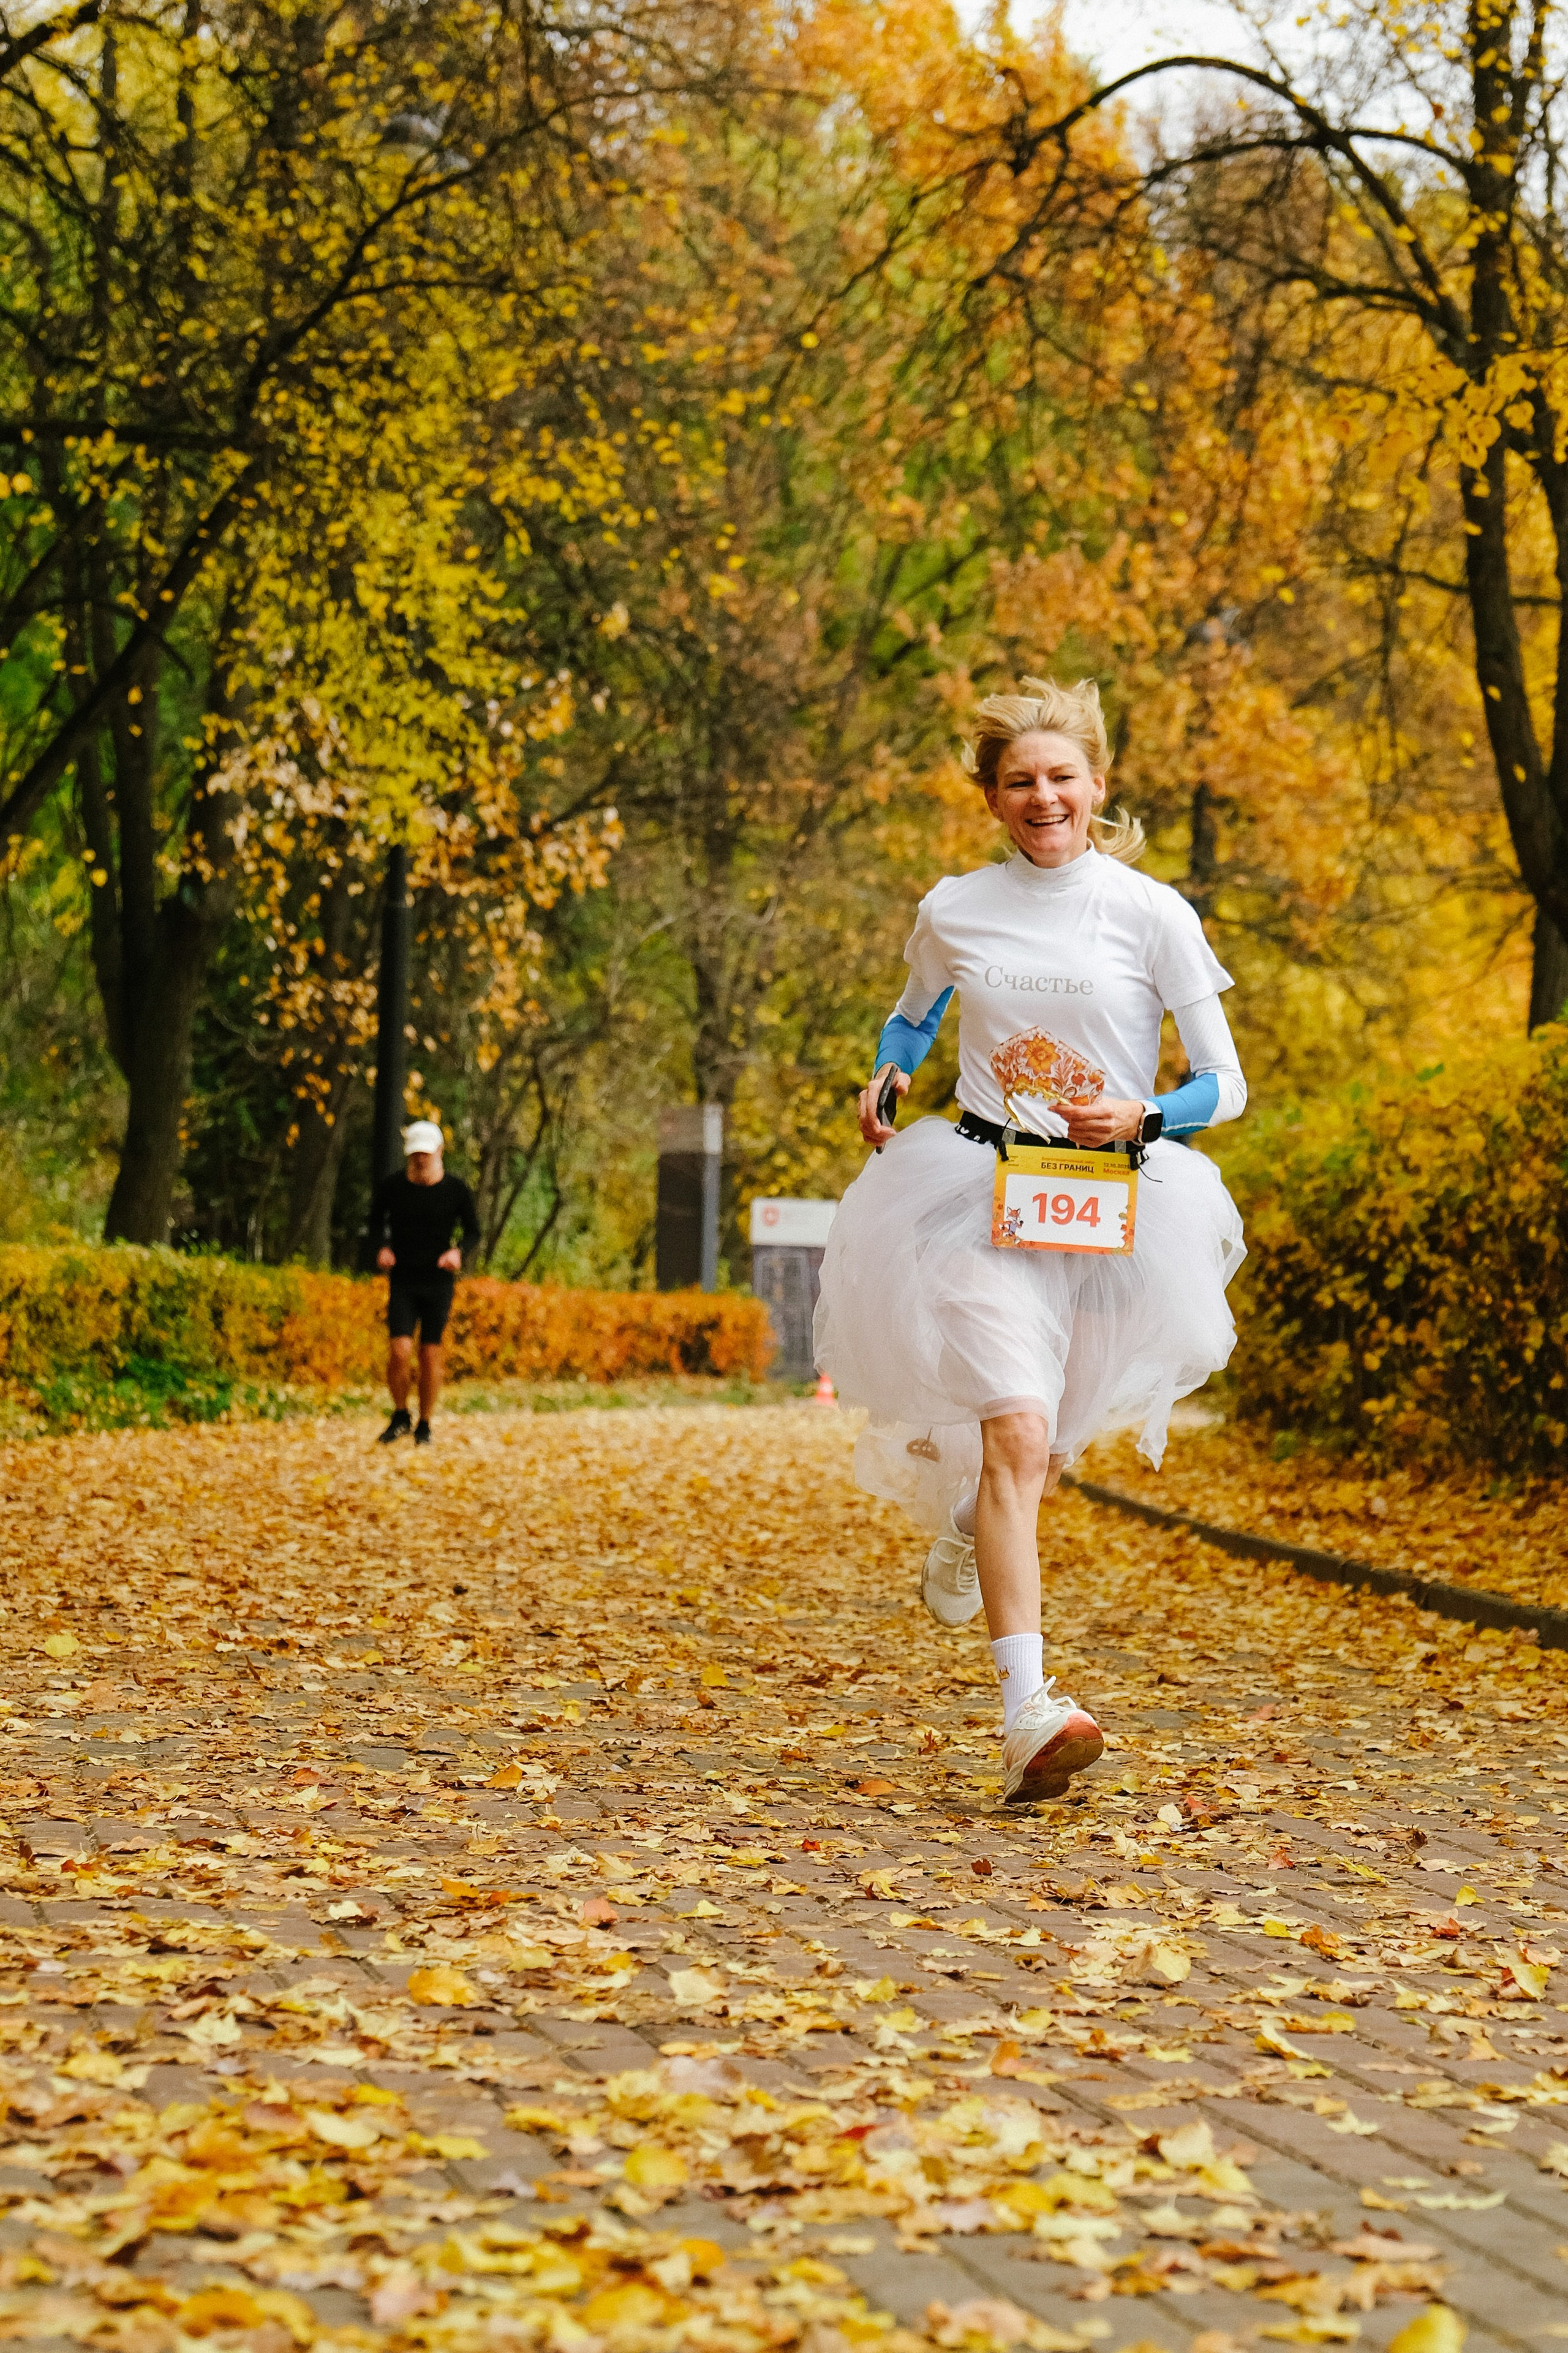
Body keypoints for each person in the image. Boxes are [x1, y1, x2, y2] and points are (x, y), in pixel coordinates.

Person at [813, 678, 1246, 1805]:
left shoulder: (1155, 914)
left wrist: (1148, 1115)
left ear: (1097, 786)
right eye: (1020, 782)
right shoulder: (956, 905)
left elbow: (1226, 1083)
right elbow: (916, 1011)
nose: (1043, 797)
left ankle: (966, 1525)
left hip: (1111, 1199)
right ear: (994, 799)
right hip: (977, 1185)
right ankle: (1029, 1711)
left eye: (1062, 777)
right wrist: (889, 1070)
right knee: (1015, 1430)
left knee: (1040, 1458)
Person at [370, 1120, 481, 1447]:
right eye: (415, 1154)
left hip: (438, 1280)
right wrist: (383, 1248)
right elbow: (375, 1223)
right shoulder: (392, 1188)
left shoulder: (456, 1190)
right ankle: (401, 1413)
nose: (420, 1160)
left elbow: (474, 1231)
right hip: (404, 1277)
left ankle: (426, 1422)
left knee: (430, 1353)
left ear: (439, 1152)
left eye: (426, 1154)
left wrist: (458, 1252)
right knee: (400, 1351)